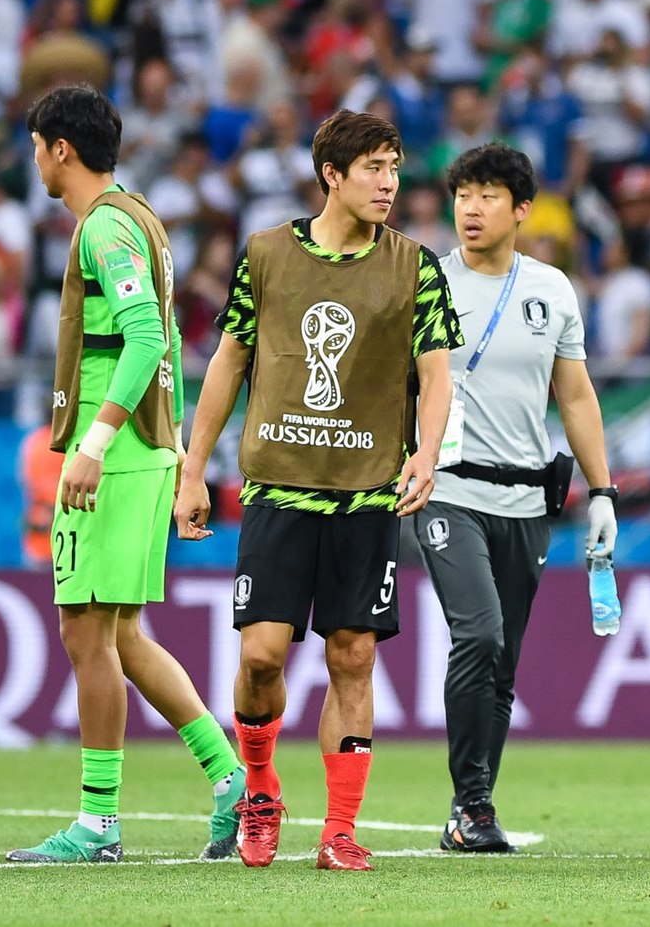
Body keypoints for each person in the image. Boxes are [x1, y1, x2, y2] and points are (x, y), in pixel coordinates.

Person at [173, 109, 458, 871]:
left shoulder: (415, 266)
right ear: (331, 174)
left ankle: (340, 830)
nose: (389, 182)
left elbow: (436, 376)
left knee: (353, 655)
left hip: (368, 492)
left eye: (395, 166)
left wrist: (425, 453)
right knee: (262, 655)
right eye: (373, 167)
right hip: (280, 489)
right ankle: (260, 786)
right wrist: (193, 467)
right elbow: (228, 362)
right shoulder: (266, 254)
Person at [7, 84, 246, 864]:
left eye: (37, 144)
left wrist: (94, 442)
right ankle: (226, 772)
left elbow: (146, 336)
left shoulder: (104, 227)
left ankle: (99, 824)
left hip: (120, 454)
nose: (32, 158)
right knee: (122, 634)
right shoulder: (138, 215)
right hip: (150, 450)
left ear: (60, 149)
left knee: (85, 633)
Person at [418, 142, 618, 853]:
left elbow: (575, 394)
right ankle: (471, 804)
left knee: (503, 667)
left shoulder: (553, 289)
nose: (470, 208)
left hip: (526, 501)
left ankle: (471, 808)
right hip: (448, 491)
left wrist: (603, 492)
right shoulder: (426, 283)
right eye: (462, 194)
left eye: (487, 195)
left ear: (523, 209)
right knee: (479, 635)